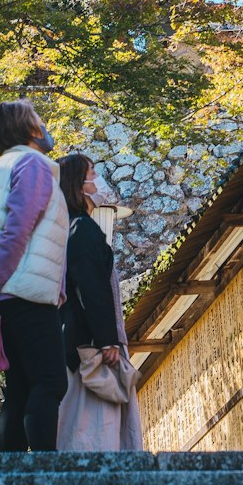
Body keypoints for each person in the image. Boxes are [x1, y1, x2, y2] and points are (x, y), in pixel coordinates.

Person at [0, 99, 69, 452]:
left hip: (3, 300)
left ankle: (10, 471)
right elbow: (19, 227)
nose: (45, 128)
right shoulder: (34, 165)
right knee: (51, 381)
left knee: (21, 387)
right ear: (30, 129)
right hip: (26, 292)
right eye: (39, 121)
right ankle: (44, 469)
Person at [57, 151, 143, 451]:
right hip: (91, 344)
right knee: (95, 419)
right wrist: (107, 340)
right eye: (92, 172)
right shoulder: (83, 230)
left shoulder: (65, 230)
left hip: (74, 338)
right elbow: (93, 288)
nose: (98, 179)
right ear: (80, 185)